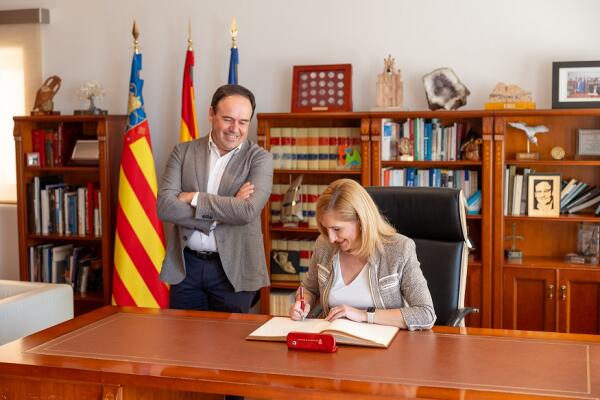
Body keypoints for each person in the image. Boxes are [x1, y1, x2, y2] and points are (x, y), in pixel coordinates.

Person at [158, 84, 273, 313]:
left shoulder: (260, 159)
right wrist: (220, 214)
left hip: (234, 269)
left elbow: (247, 211)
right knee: (183, 344)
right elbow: (165, 207)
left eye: (243, 122)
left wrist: (195, 197)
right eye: (228, 119)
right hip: (186, 267)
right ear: (211, 114)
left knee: (230, 346)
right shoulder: (183, 152)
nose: (235, 129)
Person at [289, 179, 436, 330]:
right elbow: (309, 288)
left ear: (360, 220)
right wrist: (303, 303)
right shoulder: (324, 244)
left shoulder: (400, 249)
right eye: (326, 229)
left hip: (383, 345)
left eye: (337, 229)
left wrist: (364, 315)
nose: (331, 238)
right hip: (334, 341)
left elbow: (425, 314)